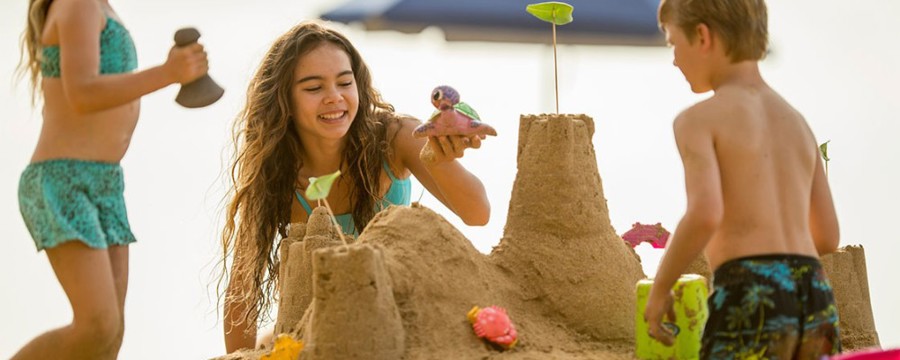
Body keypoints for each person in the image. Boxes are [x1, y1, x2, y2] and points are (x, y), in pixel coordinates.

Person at [218, 21, 490, 353]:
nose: (335, 98)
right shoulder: (274, 173)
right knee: (269, 343)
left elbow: (478, 213)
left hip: (399, 318)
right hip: (326, 329)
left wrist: (441, 160)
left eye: (344, 82)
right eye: (313, 88)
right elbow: (241, 292)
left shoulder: (394, 138)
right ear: (284, 100)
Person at [644, 0, 842, 358]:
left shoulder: (698, 121)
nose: (674, 59)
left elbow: (705, 212)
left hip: (751, 292)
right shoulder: (798, 123)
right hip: (815, 293)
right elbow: (828, 235)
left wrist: (661, 289)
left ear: (702, 36)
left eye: (674, 43)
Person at [13, 0, 209, 358]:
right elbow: (82, 92)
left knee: (109, 337)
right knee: (97, 325)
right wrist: (169, 72)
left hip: (106, 182)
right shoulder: (78, 3)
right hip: (62, 179)